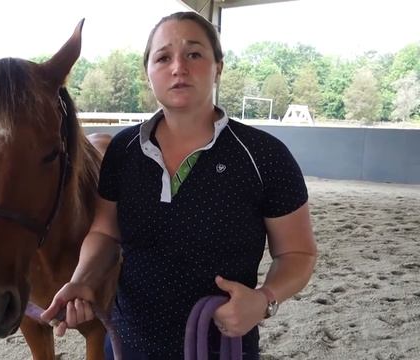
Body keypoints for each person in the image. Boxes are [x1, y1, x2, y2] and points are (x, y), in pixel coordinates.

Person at [41, 11, 317, 360]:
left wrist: (264, 300)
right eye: (163, 57)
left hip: (222, 347)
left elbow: (298, 254)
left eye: (194, 54)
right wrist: (83, 278)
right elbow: (105, 234)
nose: (178, 67)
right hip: (126, 346)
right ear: (149, 73)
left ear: (218, 67)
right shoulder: (123, 151)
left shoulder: (264, 156)